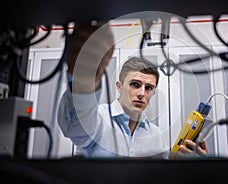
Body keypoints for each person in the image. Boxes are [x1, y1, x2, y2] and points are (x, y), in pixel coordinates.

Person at [57, 22, 208, 159]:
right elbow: (76, 128)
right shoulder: (99, 119)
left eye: (149, 88)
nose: (142, 93)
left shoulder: (155, 135)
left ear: (153, 92)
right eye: (135, 84)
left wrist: (186, 166)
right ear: (119, 86)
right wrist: (85, 80)